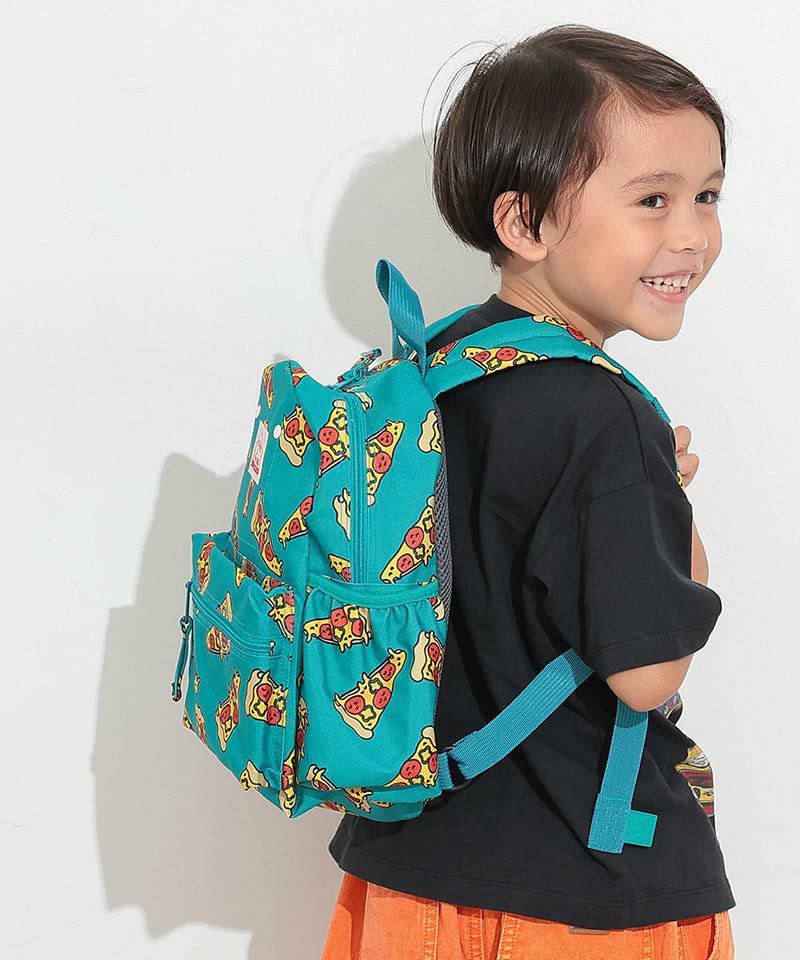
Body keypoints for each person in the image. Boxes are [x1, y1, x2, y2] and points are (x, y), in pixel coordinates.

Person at [322, 23, 736, 960]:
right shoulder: (602, 415)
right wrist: (666, 501)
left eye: (706, 195)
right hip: (577, 894)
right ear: (526, 222)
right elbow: (650, 672)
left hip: (402, 871)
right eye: (653, 199)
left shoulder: (435, 367)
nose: (692, 235)